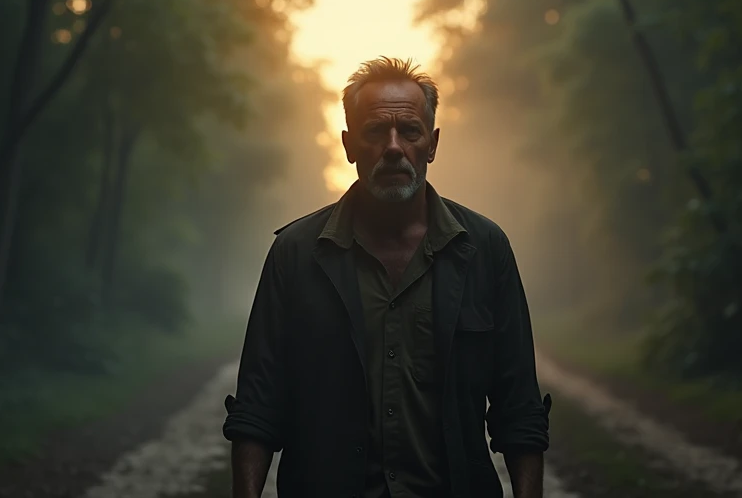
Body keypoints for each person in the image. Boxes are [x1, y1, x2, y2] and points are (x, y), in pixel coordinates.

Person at [223, 57, 550, 498]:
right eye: (376, 132)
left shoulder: (484, 250)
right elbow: (258, 409)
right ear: (348, 144)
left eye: (410, 131)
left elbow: (519, 410)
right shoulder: (297, 254)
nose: (394, 147)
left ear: (432, 144)